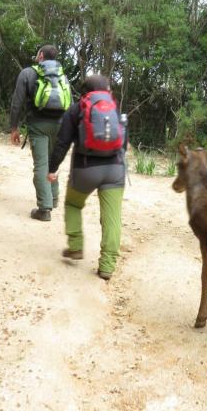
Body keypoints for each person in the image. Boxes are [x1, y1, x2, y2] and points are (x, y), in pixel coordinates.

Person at [47, 75, 126, 281]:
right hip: (115, 169)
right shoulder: (113, 107)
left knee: (73, 204)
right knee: (112, 218)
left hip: (85, 169)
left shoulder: (76, 109)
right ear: (106, 90)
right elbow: (123, 141)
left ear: (83, 92)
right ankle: (107, 266)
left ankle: (75, 246)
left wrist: (52, 168)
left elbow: (62, 143)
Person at [10, 44, 72, 221]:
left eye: (38, 55)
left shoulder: (28, 73)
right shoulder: (63, 77)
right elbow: (71, 103)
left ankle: (44, 209)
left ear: (41, 56)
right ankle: (53, 198)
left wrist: (14, 128)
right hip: (61, 125)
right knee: (53, 162)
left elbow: (17, 102)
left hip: (38, 125)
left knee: (41, 164)